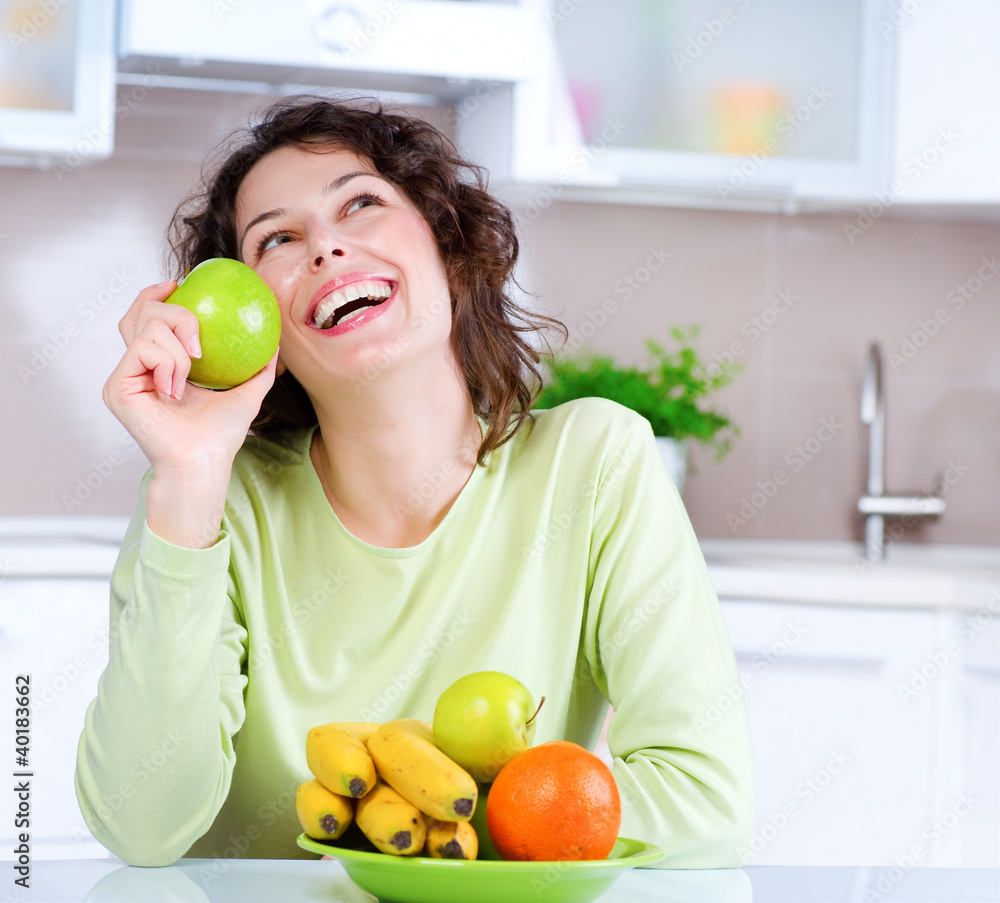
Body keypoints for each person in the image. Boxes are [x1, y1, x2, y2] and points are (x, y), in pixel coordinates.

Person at [75, 95, 755, 868]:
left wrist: (419, 827)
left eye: (360, 203)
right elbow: (140, 824)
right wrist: (189, 478)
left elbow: (708, 803)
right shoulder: (212, 504)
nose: (325, 248)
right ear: (260, 323)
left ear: (450, 248)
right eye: (279, 239)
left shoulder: (594, 465)